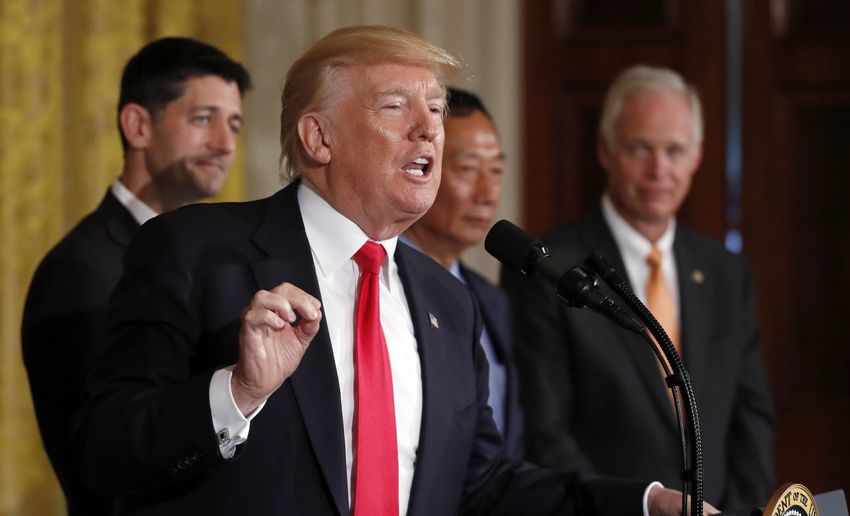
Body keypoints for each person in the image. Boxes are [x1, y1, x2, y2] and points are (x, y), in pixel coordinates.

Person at [73, 27, 710, 515]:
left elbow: (482, 485)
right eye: (396, 107)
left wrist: (642, 503)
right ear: (319, 138)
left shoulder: (448, 302)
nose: (429, 131)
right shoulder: (197, 252)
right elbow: (102, 451)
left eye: (435, 110)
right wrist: (238, 392)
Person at [501, 64, 775, 510]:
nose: (658, 169)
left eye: (675, 150)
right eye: (640, 148)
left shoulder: (726, 272)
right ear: (605, 151)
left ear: (697, 156)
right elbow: (546, 433)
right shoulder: (549, 268)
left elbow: (752, 419)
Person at [21, 37, 251, 516]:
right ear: (138, 125)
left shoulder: (213, 260)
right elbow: (101, 457)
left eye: (234, 124)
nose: (225, 144)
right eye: (203, 119)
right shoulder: (79, 269)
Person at [402, 88, 522, 457]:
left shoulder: (492, 300)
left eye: (496, 171)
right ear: (419, 167)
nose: (487, 193)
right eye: (467, 169)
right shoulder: (381, 284)